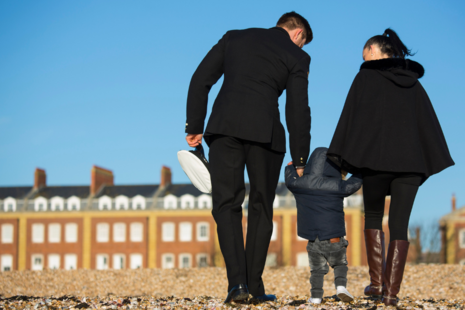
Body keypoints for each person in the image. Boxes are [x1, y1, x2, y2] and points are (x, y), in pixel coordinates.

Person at [185, 12, 313, 303]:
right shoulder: (297, 57)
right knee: (261, 208)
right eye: (303, 42)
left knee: (227, 205)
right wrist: (300, 157)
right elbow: (297, 109)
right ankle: (254, 285)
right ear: (297, 34)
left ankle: (237, 285)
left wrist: (194, 125)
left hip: (224, 129)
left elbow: (200, 78)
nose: (301, 49)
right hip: (266, 134)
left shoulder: (234, 37)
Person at [327, 29, 454, 306]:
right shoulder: (414, 84)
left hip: (375, 161)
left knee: (372, 215)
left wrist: (339, 160)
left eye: (364, 55)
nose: (363, 60)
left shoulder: (365, 77)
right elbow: (428, 124)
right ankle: (391, 294)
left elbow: (350, 117)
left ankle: (376, 284)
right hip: (410, 164)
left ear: (373, 51)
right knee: (400, 224)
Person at [285, 147, 362, 304]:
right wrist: (360, 172)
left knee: (317, 270)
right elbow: (353, 184)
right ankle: (340, 287)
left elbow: (289, 180)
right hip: (334, 235)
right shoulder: (337, 185)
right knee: (339, 263)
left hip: (313, 238)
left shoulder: (300, 184)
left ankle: (315, 297)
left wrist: (290, 166)